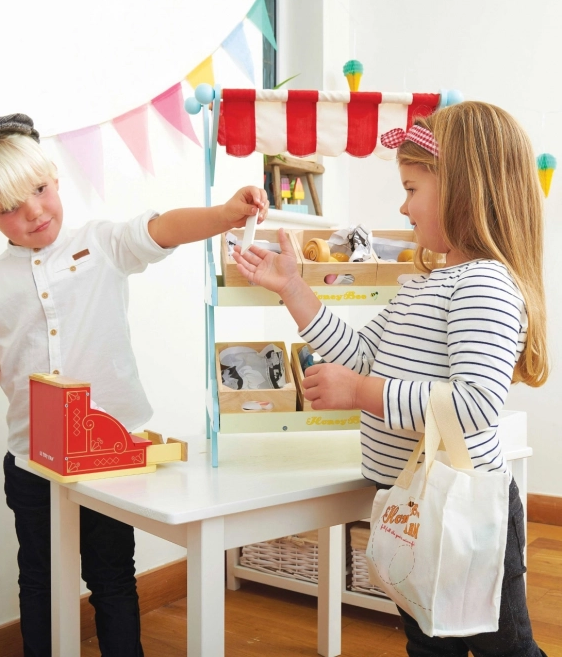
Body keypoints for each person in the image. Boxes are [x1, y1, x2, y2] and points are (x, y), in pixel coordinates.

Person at [0, 113, 268, 657]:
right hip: (31, 458)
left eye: (39, 190)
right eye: (9, 208)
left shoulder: (101, 243)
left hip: (108, 451)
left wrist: (223, 215)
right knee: (40, 579)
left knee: (112, 575)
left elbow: (159, 228)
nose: (33, 211)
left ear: (55, 179)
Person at [233, 101, 547, 656]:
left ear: (464, 190)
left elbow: (475, 404)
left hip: (464, 509)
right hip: (411, 501)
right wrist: (294, 291)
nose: (403, 207)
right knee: (427, 643)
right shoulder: (424, 284)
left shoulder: (484, 285)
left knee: (504, 649)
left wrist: (360, 394)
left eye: (411, 189)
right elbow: (360, 354)